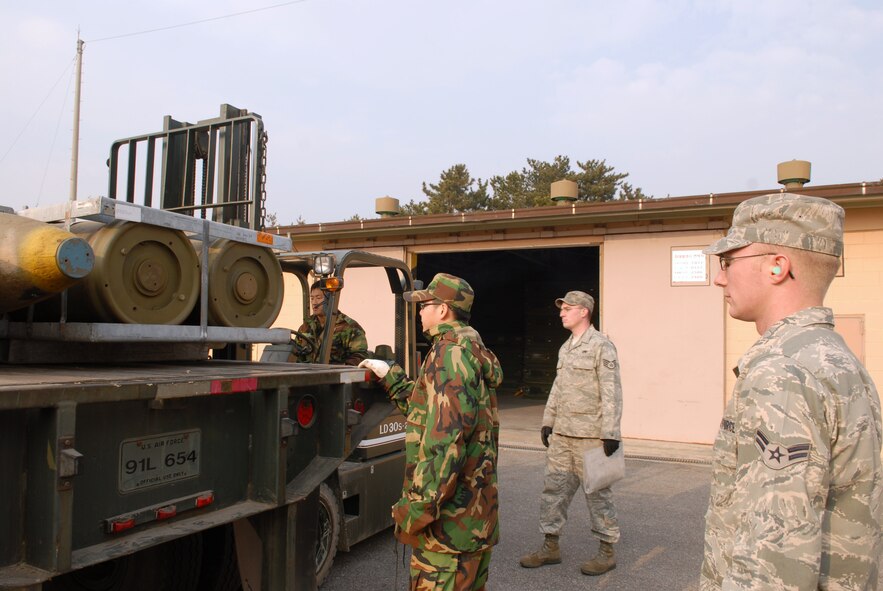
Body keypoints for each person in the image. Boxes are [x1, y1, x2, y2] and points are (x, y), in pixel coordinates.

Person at [700, 193, 882, 590]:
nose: (720, 277)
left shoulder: (781, 374)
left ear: (777, 267)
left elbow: (772, 563)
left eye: (728, 261)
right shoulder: (835, 360)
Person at [359, 273, 503, 591]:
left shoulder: (447, 355)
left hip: (448, 532)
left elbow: (445, 441)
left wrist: (417, 511)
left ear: (443, 310)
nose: (420, 311)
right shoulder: (469, 351)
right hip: (474, 523)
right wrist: (390, 375)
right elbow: (431, 415)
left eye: (424, 304)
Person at [520, 290, 624, 576]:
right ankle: (549, 547)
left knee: (598, 494)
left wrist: (610, 432)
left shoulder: (602, 346)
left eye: (567, 308)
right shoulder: (566, 348)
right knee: (553, 491)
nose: (561, 313)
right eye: (561, 309)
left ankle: (606, 551)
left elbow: (611, 390)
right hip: (563, 435)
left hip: (591, 436)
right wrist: (548, 420)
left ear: (584, 311)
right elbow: (558, 386)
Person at [293, 282, 369, 365]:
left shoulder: (349, 327)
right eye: (312, 298)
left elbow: (360, 357)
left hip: (334, 376)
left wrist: (338, 371)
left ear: (330, 299)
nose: (314, 302)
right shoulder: (306, 326)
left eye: (318, 298)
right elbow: (297, 352)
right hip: (307, 375)